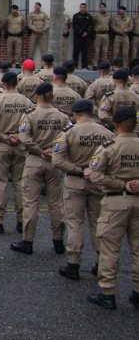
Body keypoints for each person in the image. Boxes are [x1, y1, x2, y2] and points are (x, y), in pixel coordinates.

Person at [52, 99, 114, 281]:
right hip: (99, 182)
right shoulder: (107, 133)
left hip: (75, 181)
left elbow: (57, 160)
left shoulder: (69, 133)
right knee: (98, 223)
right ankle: (102, 262)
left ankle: (73, 262)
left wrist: (79, 170)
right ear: (92, 112)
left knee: (75, 222)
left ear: (76, 115)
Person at [86, 106, 139, 310]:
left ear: (116, 124)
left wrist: (121, 184)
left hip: (116, 201)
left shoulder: (109, 147)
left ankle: (108, 292)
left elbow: (95, 174)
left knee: (109, 249)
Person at [12, 82, 68, 256]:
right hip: (54, 162)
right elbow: (69, 138)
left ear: (37, 96)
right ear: (52, 97)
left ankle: (28, 241)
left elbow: (24, 138)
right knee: (56, 203)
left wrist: (39, 150)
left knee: (30, 202)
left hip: (35, 160)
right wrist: (54, 151)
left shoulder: (30, 115)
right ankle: (58, 241)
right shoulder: (62, 116)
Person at [0, 72, 34, 234]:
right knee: (19, 183)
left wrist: (3, 137)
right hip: (20, 146)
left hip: (2, 146)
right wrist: (19, 136)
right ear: (16, 83)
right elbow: (33, 122)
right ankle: (21, 220)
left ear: (3, 84)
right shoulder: (27, 102)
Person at [72, 3, 94, 69]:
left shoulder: (89, 16)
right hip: (78, 36)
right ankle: (75, 66)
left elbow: (91, 25)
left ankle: (84, 66)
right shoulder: (76, 16)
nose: (82, 8)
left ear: (86, 8)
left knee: (85, 52)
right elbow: (74, 25)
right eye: (81, 7)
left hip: (86, 37)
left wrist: (87, 32)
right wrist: (81, 32)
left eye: (83, 7)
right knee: (76, 52)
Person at [93, 3, 112, 69]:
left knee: (105, 50)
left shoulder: (109, 15)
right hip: (98, 33)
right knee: (96, 50)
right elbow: (94, 23)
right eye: (100, 6)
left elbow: (110, 24)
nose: (102, 8)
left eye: (103, 6)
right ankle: (95, 64)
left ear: (105, 8)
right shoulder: (96, 16)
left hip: (105, 34)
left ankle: (104, 64)